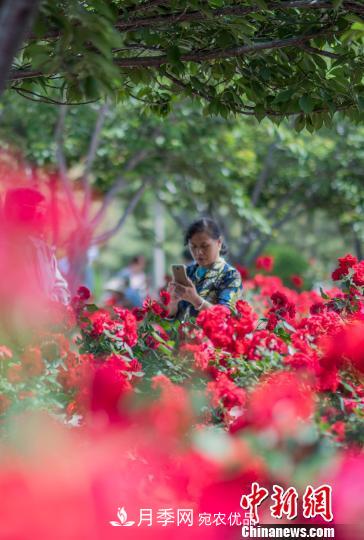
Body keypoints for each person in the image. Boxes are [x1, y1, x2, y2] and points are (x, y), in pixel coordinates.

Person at [0, 187, 70, 306]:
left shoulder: (43, 250)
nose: (35, 216)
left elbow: (60, 286)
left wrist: (53, 302)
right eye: (27, 210)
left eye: (37, 210)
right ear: (11, 211)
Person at [167, 218, 243, 320]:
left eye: (205, 246)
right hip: (184, 335)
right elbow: (174, 318)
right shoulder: (188, 272)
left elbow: (225, 316)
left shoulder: (230, 275)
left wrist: (195, 300)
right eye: (193, 247)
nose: (199, 252)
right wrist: (172, 302)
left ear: (219, 242)